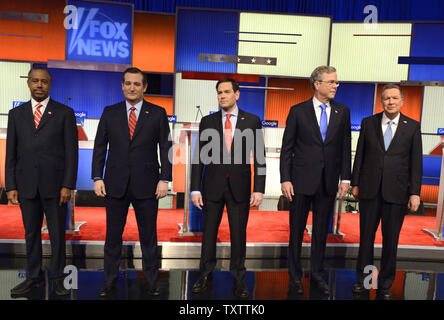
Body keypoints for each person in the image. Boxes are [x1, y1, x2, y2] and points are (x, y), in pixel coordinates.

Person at [91, 67, 172, 298]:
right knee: (112, 236)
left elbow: (166, 148)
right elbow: (99, 147)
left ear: (144, 87)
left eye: (137, 84)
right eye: (127, 83)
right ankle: (109, 281)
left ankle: (152, 282)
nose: (132, 88)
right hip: (115, 184)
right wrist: (97, 176)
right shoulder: (110, 112)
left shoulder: (157, 113)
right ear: (122, 85)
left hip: (148, 185)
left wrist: (164, 179)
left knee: (149, 237)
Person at [5, 67, 79, 297]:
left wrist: (67, 185)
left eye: (44, 82)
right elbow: (11, 154)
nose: (39, 85)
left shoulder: (65, 113)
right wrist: (11, 185)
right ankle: (33, 277)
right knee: (31, 234)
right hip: (26, 185)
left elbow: (71, 153)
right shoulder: (16, 114)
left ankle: (58, 278)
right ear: (28, 83)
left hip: (56, 187)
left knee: (57, 233)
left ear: (50, 84)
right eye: (35, 81)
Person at [190, 78, 266, 298]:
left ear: (237, 94)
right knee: (209, 234)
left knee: (238, 235)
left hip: (240, 187)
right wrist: (195, 188)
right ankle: (205, 275)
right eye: (219, 92)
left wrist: (259, 188)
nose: (222, 96)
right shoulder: (208, 121)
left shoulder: (252, 121)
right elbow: (198, 158)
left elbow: (259, 157)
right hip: (211, 187)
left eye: (226, 92)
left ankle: (239, 279)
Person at [280, 66, 351, 296]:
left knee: (321, 232)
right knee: (296, 231)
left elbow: (345, 147)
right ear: (317, 84)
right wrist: (285, 179)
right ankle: (294, 276)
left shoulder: (343, 111)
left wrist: (346, 178)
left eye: (336, 82)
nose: (335, 86)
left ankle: (318, 274)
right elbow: (287, 149)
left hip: (328, 181)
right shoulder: (298, 111)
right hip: (300, 181)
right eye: (331, 82)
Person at [351, 84, 422, 300]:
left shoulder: (412, 127)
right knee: (366, 239)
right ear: (381, 102)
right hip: (370, 191)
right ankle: (365, 282)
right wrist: (355, 182)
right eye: (386, 98)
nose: (390, 102)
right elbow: (360, 155)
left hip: (397, 193)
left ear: (402, 101)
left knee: (391, 241)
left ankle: (384, 285)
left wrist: (415, 192)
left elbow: (416, 162)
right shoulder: (368, 123)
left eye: (394, 98)